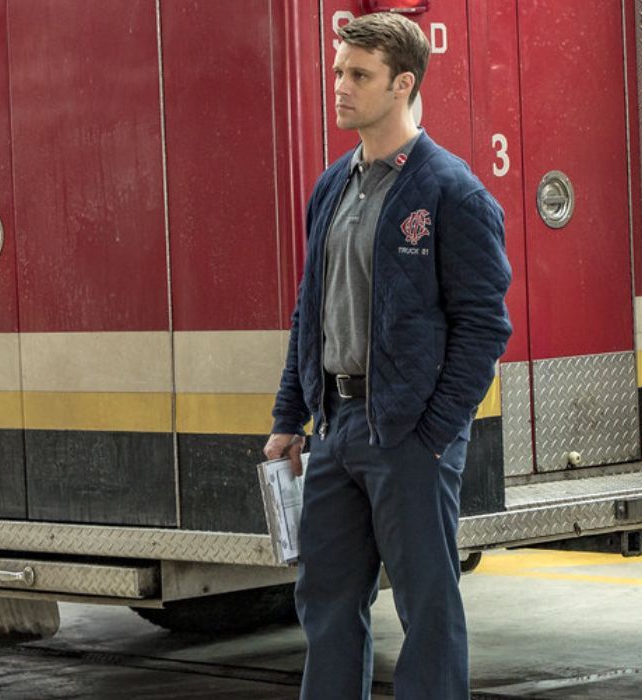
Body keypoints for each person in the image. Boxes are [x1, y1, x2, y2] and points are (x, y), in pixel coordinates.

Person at [265, 12, 512, 700]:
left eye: (358, 75)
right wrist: (291, 418)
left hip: (408, 437)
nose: (339, 86)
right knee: (326, 606)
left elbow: (485, 325)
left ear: (402, 84)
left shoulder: (449, 191)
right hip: (337, 429)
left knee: (427, 609)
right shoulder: (331, 187)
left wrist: (434, 433)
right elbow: (309, 314)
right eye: (339, 71)